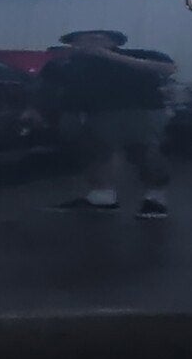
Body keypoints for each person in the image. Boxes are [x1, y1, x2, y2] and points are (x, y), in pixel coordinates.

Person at [40, 28, 175, 217]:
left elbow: (168, 69)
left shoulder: (138, 55)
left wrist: (108, 56)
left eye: (98, 38)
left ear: (114, 42)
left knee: (142, 151)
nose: (91, 42)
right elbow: (47, 87)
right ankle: (102, 196)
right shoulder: (65, 63)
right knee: (94, 154)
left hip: (139, 110)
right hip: (90, 114)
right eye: (84, 39)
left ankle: (155, 198)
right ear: (74, 44)